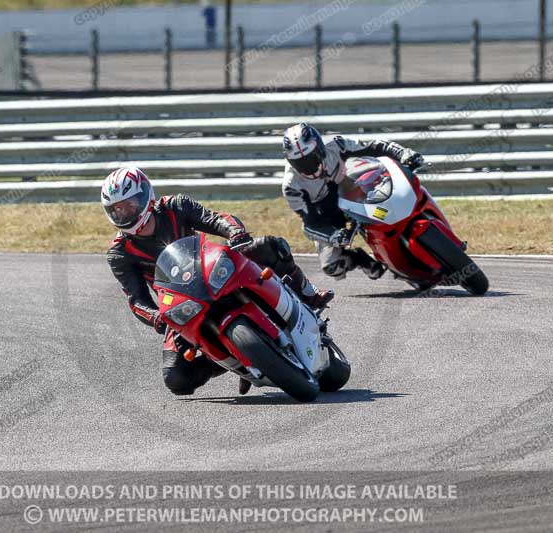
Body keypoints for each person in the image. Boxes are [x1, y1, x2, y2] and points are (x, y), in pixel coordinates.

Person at [103, 166, 333, 396]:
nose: (124, 212)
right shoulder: (119, 253)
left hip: (212, 270)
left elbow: (214, 219)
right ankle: (236, 362)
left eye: (129, 204)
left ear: (146, 196)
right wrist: (156, 317)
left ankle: (308, 293)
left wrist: (235, 233)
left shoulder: (175, 205)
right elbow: (136, 300)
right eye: (117, 209)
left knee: (270, 246)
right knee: (176, 377)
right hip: (181, 305)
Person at [281, 123, 424, 280]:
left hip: (354, 191)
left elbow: (374, 146)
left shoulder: (336, 145)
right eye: (300, 163)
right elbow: (310, 224)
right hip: (328, 214)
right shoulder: (291, 186)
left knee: (384, 210)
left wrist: (403, 153)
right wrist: (332, 235)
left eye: (311, 158)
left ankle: (412, 213)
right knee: (332, 267)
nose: (308, 166)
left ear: (320, 148)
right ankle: (361, 259)